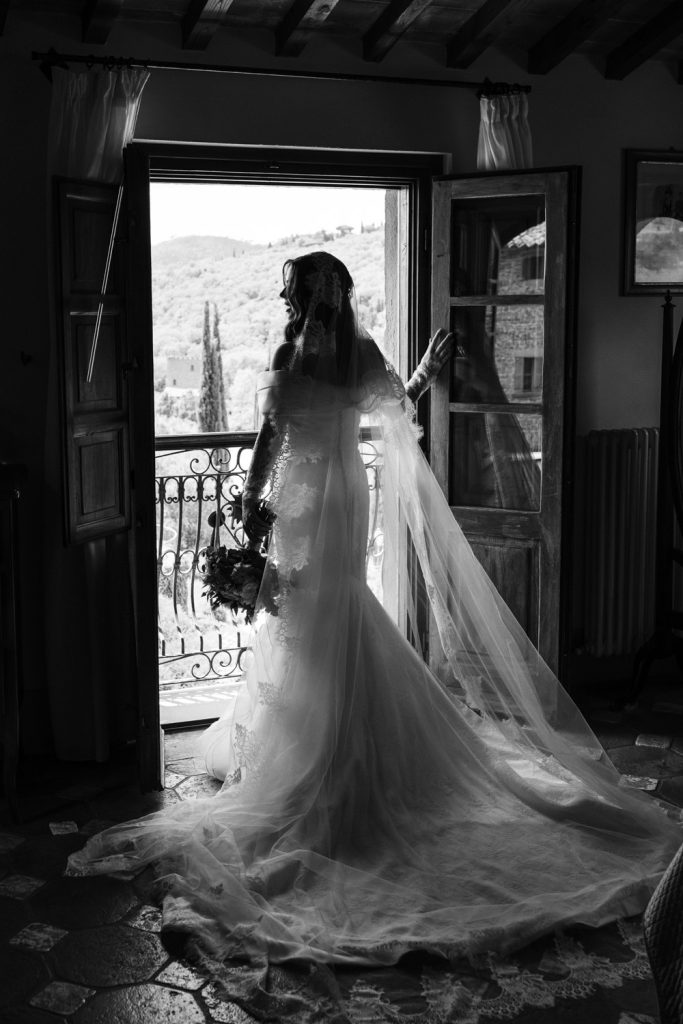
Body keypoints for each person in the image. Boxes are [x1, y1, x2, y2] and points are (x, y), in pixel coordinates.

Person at [68, 251, 681, 971]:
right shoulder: (347, 348)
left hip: (312, 497)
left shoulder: (295, 348)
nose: (307, 301)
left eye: (307, 291)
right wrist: (413, 376)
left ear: (300, 296)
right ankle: (317, 732)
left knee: (314, 610)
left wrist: (251, 501)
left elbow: (272, 438)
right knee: (311, 613)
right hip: (327, 494)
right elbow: (388, 406)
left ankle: (331, 751)